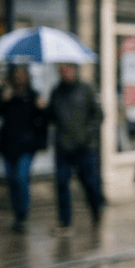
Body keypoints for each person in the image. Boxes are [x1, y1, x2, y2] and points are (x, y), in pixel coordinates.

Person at [46, 62, 104, 231]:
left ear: (74, 70)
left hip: (84, 147)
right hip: (63, 147)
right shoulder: (56, 91)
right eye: (62, 70)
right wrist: (44, 108)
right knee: (61, 183)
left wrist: (88, 134)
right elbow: (50, 117)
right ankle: (65, 222)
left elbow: (98, 115)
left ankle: (96, 209)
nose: (65, 73)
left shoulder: (86, 89)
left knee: (90, 183)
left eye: (68, 69)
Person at [0, 65, 46, 232]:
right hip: (8, 146)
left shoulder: (33, 95)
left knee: (21, 177)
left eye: (23, 74)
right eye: (17, 75)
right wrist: (2, 100)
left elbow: (43, 120)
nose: (20, 78)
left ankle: (22, 214)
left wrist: (42, 107)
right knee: (12, 180)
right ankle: (17, 213)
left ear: (27, 77)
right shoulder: (6, 93)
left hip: (27, 146)